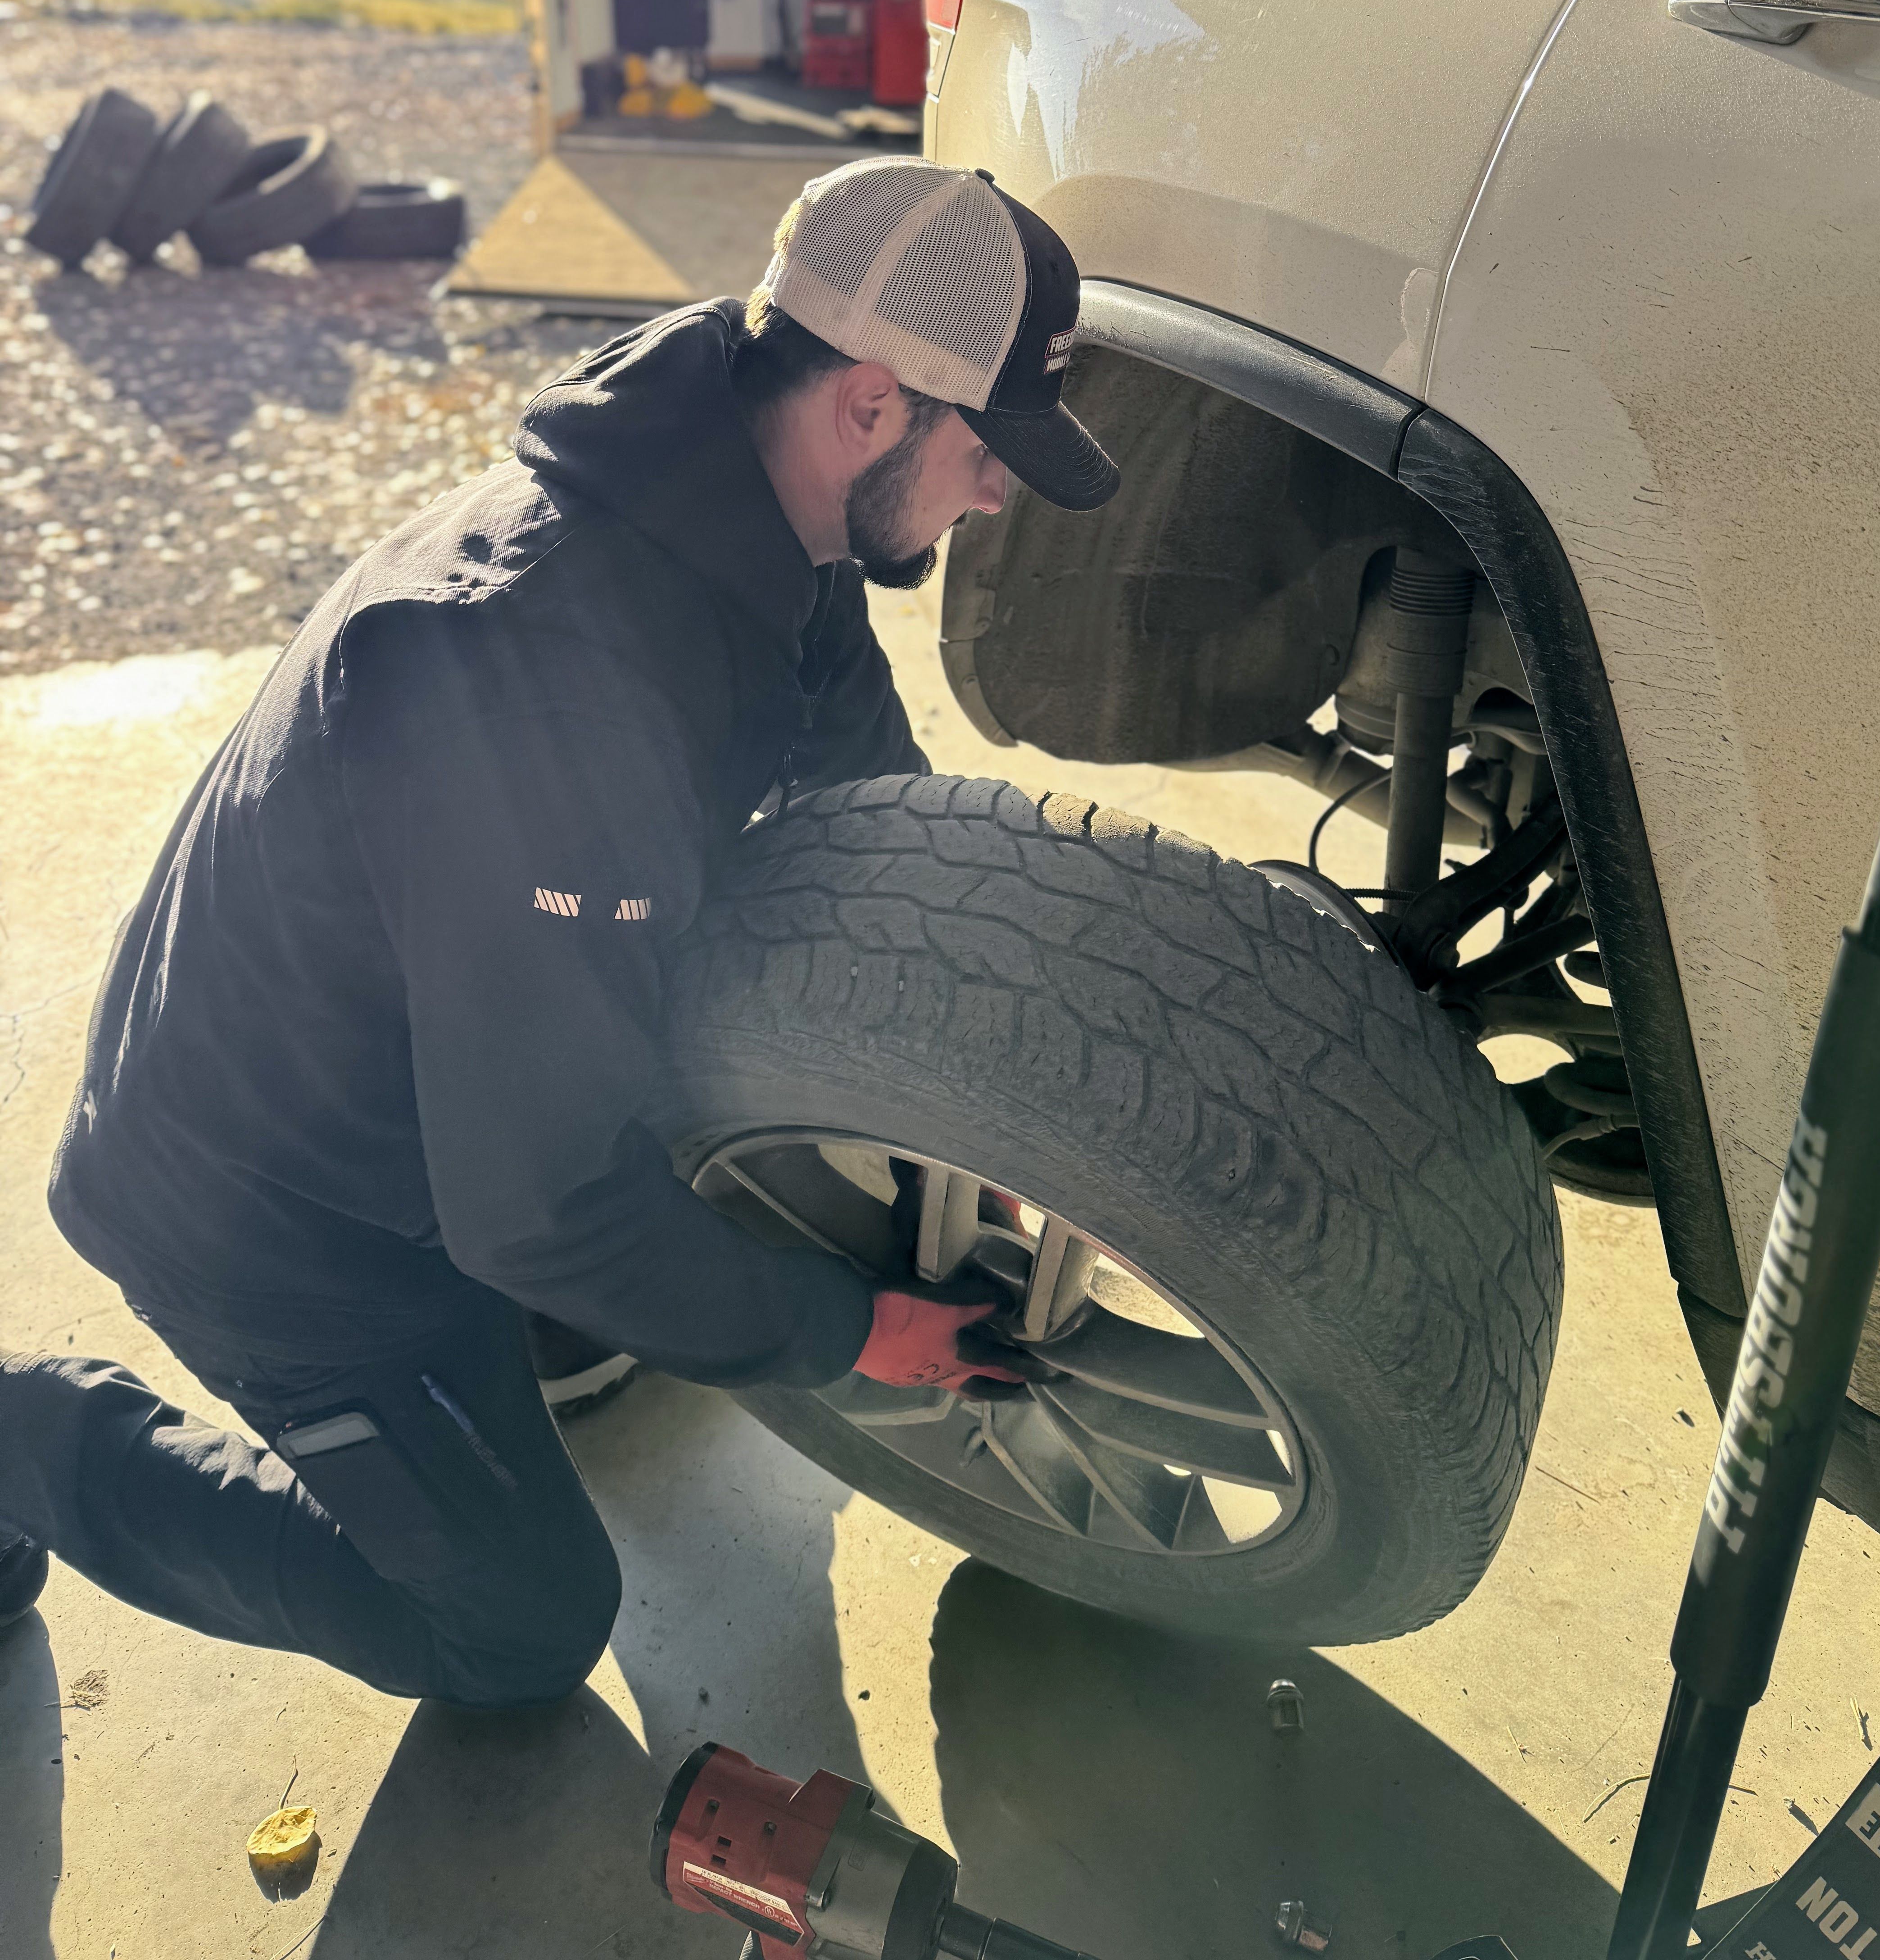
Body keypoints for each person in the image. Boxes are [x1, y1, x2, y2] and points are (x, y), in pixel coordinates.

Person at [0, 158, 1118, 1702]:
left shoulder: (759, 507)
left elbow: (873, 823)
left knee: (618, 1245)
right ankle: (30, 1439)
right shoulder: (552, 681)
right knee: (520, 1627)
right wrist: (848, 1329)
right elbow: (536, 1216)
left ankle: (551, 1331)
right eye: (987, 451)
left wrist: (960, 1107)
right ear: (871, 402)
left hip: (429, 1074)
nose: (997, 496)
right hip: (279, 1216)